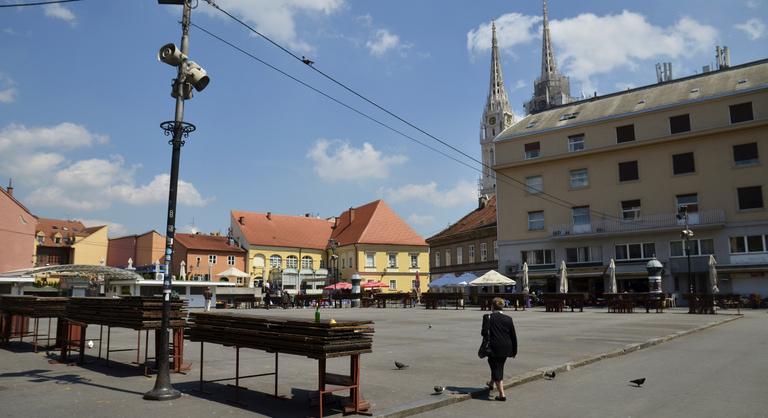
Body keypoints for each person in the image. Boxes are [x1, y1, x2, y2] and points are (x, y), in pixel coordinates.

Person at [481, 297, 517, 401]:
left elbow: (484, 333)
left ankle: (502, 394)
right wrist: (514, 351)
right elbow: (513, 336)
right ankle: (491, 383)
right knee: (498, 365)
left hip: (494, 347)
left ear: (492, 306)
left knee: (496, 368)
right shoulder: (508, 318)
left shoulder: (487, 317)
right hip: (507, 347)